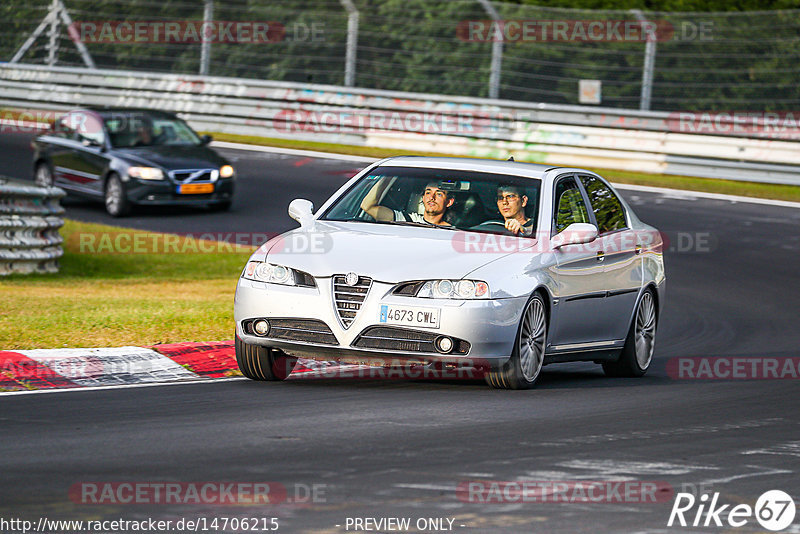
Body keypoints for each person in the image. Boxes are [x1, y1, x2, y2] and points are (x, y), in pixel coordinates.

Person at [360, 177, 454, 226]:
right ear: (423, 198)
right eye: (428, 193)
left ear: (449, 202)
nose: (431, 197)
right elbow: (367, 206)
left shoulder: (454, 231)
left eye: (439, 194)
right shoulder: (406, 220)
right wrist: (387, 178)